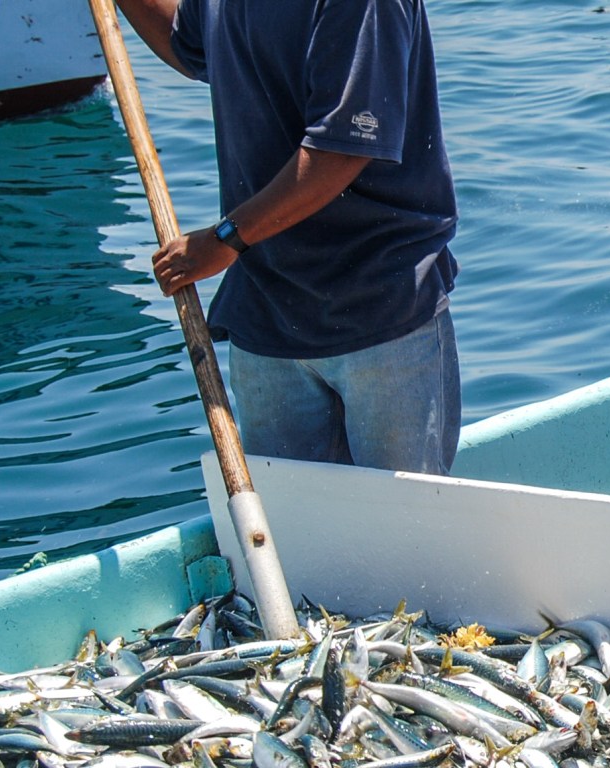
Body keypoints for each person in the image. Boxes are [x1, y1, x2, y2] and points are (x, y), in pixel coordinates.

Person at [115, 0, 462, 475]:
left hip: (381, 314)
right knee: (294, 533)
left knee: (408, 532)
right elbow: (189, 43)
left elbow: (340, 150)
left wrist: (223, 241)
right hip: (268, 317)